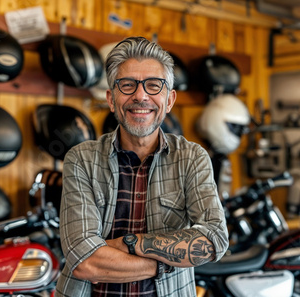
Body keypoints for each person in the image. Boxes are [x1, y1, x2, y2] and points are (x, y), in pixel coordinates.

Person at [55, 36, 229, 297]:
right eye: (127, 85)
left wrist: (128, 243)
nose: (140, 95)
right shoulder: (81, 159)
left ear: (169, 101)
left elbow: (214, 240)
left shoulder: (192, 158)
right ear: (111, 99)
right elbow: (85, 261)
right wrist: (168, 261)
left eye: (153, 85)